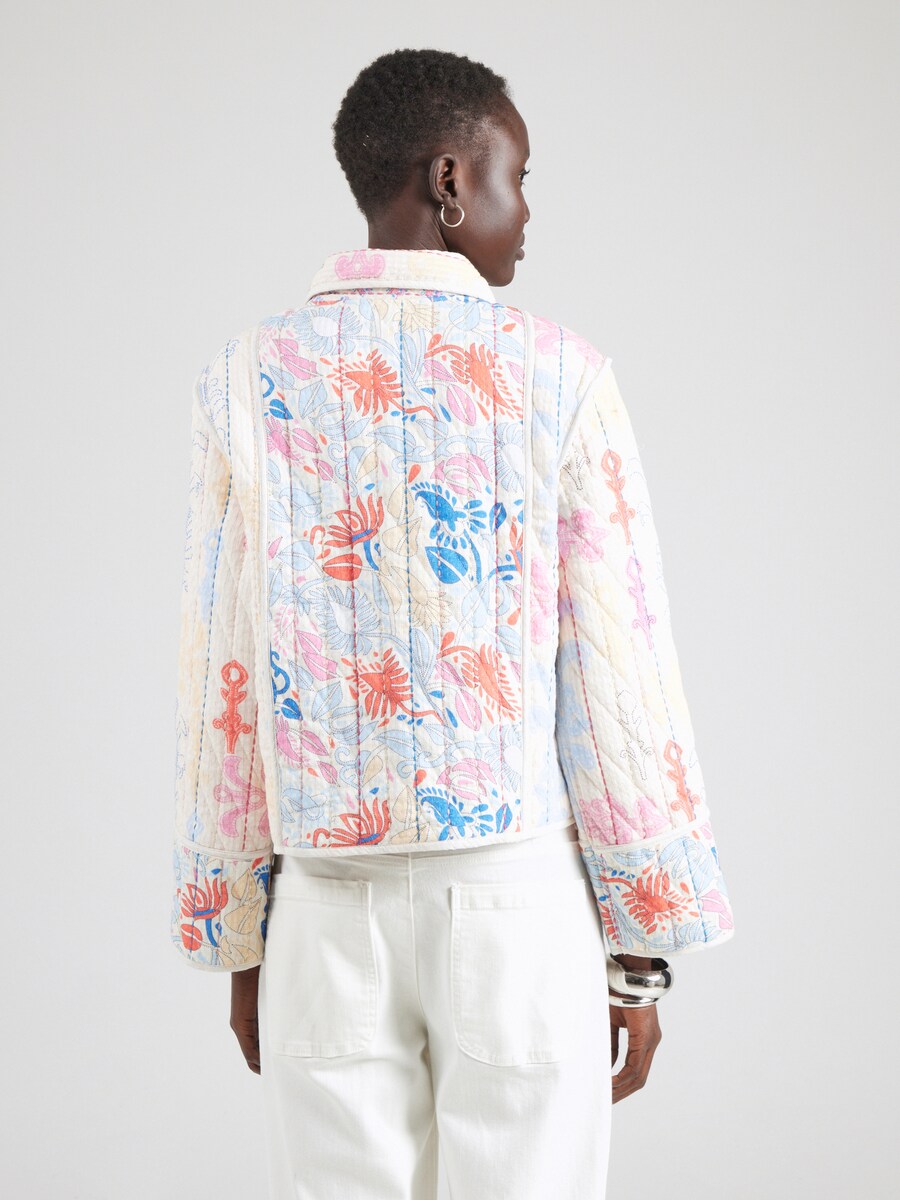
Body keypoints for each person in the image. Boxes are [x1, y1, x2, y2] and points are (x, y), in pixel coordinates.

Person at [170, 47, 735, 1200]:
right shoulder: (562, 377)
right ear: (449, 180)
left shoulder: (245, 378)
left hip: (326, 911)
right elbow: (617, 674)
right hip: (516, 910)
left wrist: (242, 936)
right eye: (516, 176)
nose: (526, 211)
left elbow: (221, 674)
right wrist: (639, 953)